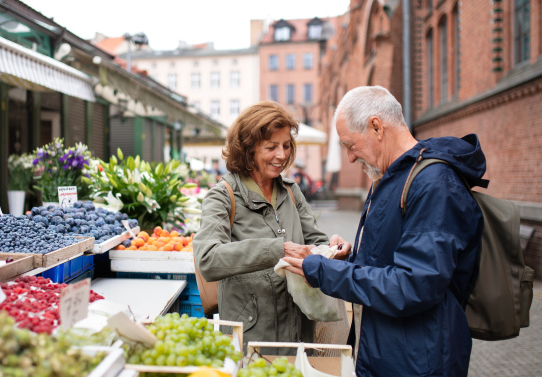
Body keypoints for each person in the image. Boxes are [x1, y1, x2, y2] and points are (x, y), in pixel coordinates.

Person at [284, 86, 485, 376]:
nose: (351, 158)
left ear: (376, 126)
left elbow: (412, 286)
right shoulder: (394, 177)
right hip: (390, 352)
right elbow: (387, 264)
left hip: (419, 362)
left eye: (350, 145)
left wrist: (324, 272)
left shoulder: (433, 184)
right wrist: (343, 260)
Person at [193, 101, 338, 354]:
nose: (281, 155)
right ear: (248, 150)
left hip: (298, 336)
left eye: (285, 145)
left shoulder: (291, 192)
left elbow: (316, 241)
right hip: (251, 339)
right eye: (271, 147)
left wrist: (333, 249)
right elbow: (208, 259)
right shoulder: (223, 196)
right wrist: (276, 250)